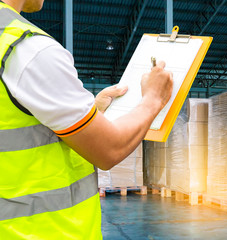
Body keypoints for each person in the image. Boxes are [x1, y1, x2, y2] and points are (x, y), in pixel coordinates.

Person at [0, 0, 173, 239]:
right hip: (46, 231)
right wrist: (153, 99)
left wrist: (92, 110)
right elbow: (109, 148)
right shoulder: (25, 48)